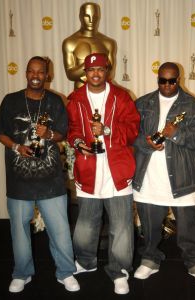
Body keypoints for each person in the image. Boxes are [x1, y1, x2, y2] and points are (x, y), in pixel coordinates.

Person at [0, 56, 80, 293]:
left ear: (47, 76)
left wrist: (49, 133)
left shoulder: (55, 101)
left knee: (60, 229)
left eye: (40, 72)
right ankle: (22, 273)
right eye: (32, 71)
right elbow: (0, 133)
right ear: (26, 73)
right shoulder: (11, 101)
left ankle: (65, 272)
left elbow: (62, 134)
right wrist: (16, 147)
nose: (35, 75)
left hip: (50, 179)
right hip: (19, 180)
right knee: (19, 230)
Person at [67, 53, 140, 294]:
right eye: (91, 70)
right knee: (86, 224)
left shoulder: (121, 96)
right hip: (88, 169)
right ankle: (86, 262)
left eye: (100, 69)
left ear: (107, 70)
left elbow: (133, 130)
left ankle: (119, 272)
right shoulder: (76, 98)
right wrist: (78, 143)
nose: (96, 74)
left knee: (120, 227)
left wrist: (108, 129)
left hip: (117, 170)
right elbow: (72, 130)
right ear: (84, 73)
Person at [133, 62, 195, 282]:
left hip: (183, 176)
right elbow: (129, 134)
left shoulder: (193, 106)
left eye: (171, 81)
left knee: (189, 227)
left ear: (178, 80)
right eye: (162, 81)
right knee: (150, 224)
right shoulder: (143, 103)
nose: (167, 85)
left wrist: (177, 133)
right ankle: (149, 259)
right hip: (149, 177)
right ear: (157, 80)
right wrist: (146, 143)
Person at [62, 2, 117, 90]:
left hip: (103, 93)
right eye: (87, 16)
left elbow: (110, 73)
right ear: (80, 16)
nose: (91, 20)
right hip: (80, 92)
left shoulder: (108, 43)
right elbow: (70, 75)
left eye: (95, 16)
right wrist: (92, 62)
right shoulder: (70, 42)